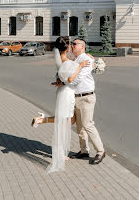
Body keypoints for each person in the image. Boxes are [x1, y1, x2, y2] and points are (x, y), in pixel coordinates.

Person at [31, 36, 90, 173]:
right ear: (67, 47)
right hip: (67, 94)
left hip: (65, 91)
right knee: (63, 123)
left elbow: (64, 78)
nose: (71, 46)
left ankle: (41, 120)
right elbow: (70, 78)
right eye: (70, 44)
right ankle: (59, 153)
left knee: (68, 120)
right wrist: (80, 66)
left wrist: (61, 82)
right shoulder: (67, 62)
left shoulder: (63, 60)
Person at [70, 38, 106, 165]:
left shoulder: (87, 60)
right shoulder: (75, 60)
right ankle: (84, 150)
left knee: (87, 124)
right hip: (76, 97)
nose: (72, 46)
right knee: (80, 127)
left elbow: (77, 79)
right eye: (71, 44)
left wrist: (65, 81)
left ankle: (100, 151)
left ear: (82, 47)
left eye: (74, 44)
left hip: (86, 97)